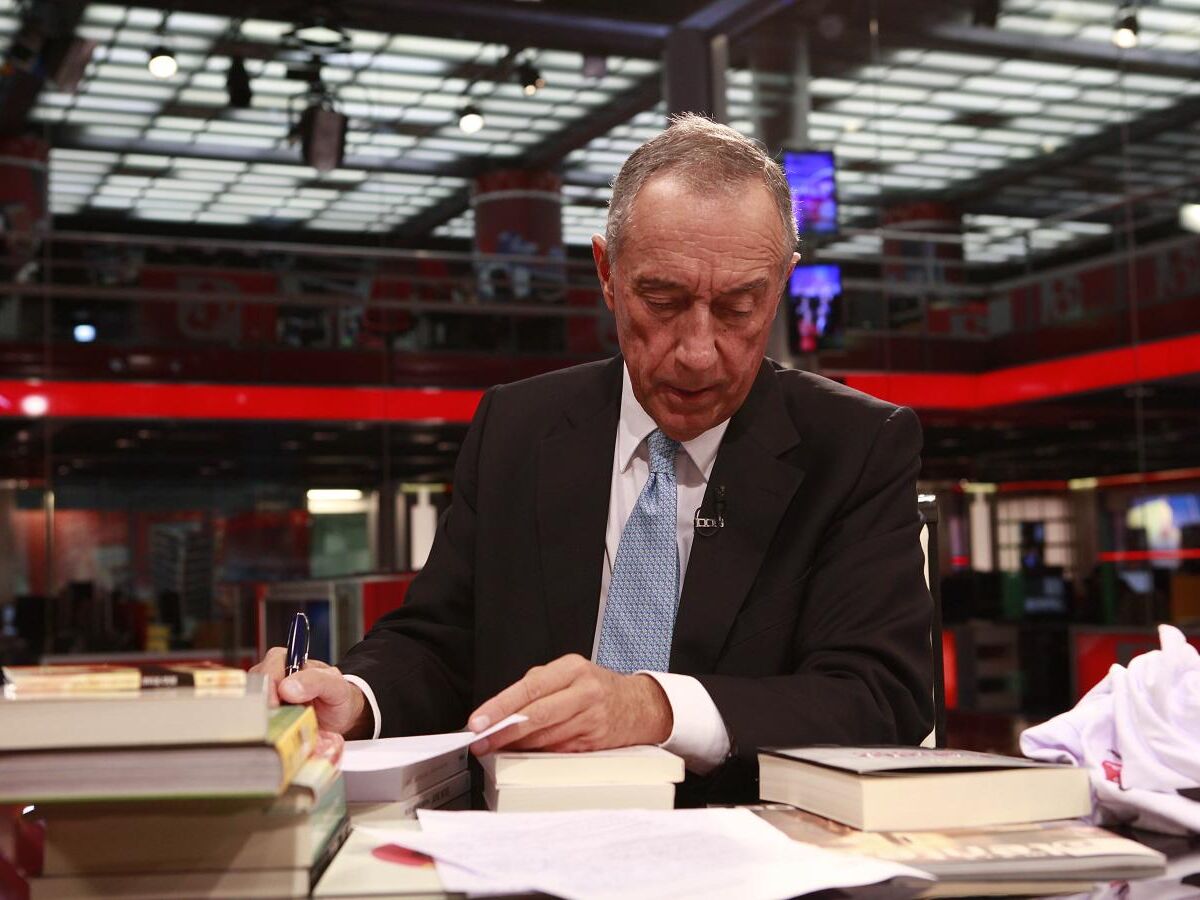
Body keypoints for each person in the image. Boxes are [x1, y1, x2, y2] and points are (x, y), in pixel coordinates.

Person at [252, 115, 933, 803]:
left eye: (738, 308)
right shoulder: (517, 428)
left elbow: (881, 698)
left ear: (782, 283)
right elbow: (441, 640)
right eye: (662, 301)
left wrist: (655, 708)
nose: (698, 352)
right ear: (607, 273)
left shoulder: (855, 446)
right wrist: (357, 697)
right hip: (519, 835)